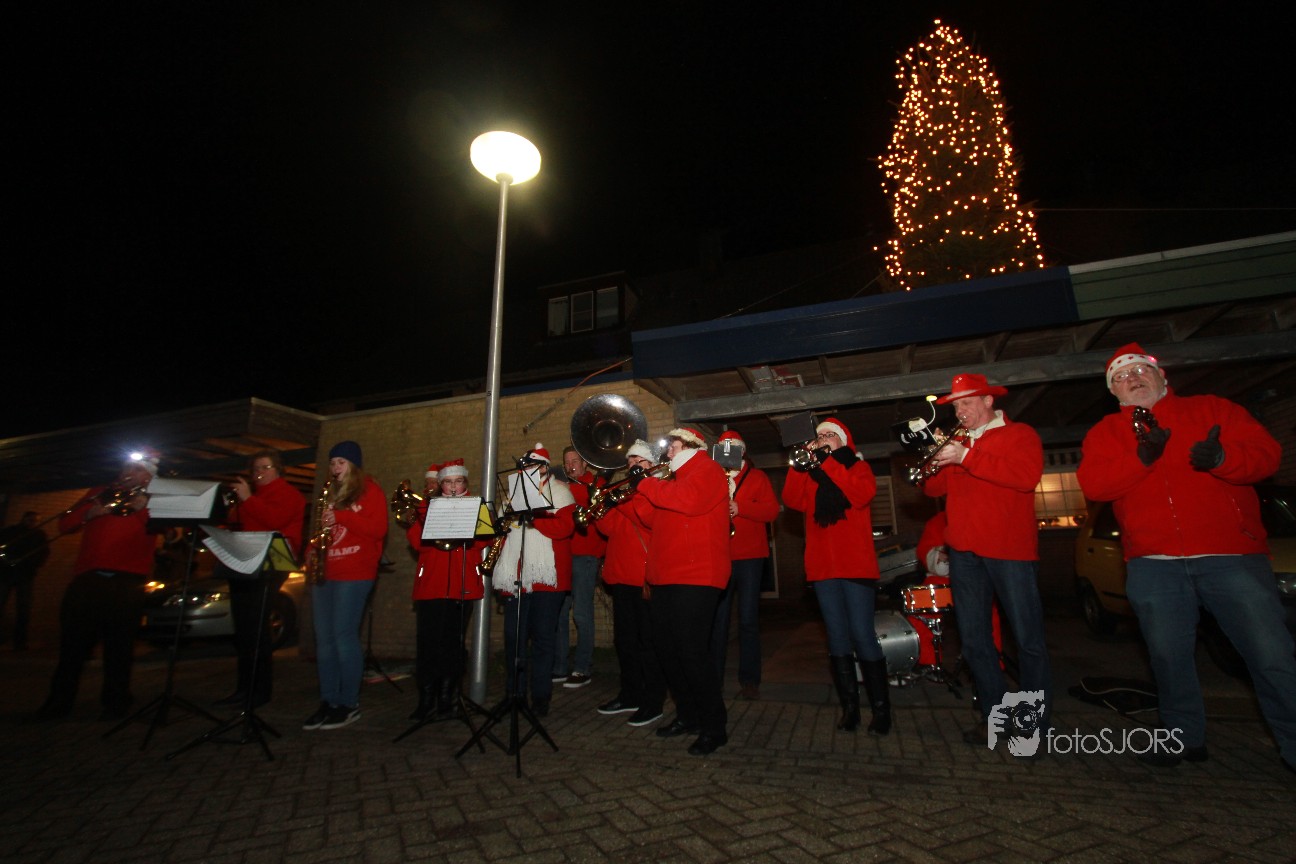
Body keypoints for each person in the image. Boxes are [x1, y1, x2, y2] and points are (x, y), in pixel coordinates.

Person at [1077, 343, 1296, 770]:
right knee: (1168, 659)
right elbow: (1095, 485)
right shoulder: (1106, 432)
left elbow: (1268, 455)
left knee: (1270, 655)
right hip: (1154, 564)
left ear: (1162, 377)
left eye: (1140, 370)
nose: (1133, 379)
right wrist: (1141, 457)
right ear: (1113, 391)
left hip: (1231, 557)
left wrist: (1224, 458)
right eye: (1121, 377)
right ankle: (1182, 738)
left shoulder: (1212, 409)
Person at [923, 372, 1052, 749]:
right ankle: (994, 718)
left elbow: (1025, 477)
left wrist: (966, 456)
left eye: (966, 403)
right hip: (965, 554)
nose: (960, 411)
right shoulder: (959, 442)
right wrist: (937, 459)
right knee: (975, 640)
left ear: (988, 401)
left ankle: (1032, 727)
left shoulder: (1019, 434)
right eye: (956, 406)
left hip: (1010, 551)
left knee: (1027, 641)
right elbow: (932, 488)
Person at [782, 418, 891, 735]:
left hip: (855, 566)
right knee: (837, 637)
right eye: (819, 436)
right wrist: (800, 463)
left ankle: (881, 711)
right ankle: (850, 709)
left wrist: (825, 462)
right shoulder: (811, 474)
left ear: (844, 441)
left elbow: (861, 494)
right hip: (823, 568)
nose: (822, 439)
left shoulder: (858, 467)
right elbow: (791, 499)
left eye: (829, 435)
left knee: (862, 634)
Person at [32, 453, 160, 721]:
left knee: (120, 646)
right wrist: (89, 513)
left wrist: (143, 507)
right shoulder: (100, 492)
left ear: (148, 476)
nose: (129, 472)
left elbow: (162, 529)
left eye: (137, 469)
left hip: (127, 581)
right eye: (127, 467)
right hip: (88, 579)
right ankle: (58, 703)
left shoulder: (155, 498)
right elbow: (65, 523)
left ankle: (116, 703)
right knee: (72, 645)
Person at [634, 427, 731, 755]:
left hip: (697, 575)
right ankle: (688, 715)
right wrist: (640, 489)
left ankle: (714, 726)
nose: (667, 453)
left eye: (672, 446)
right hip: (666, 576)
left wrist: (647, 484)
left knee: (691, 652)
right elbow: (649, 518)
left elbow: (689, 501)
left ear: (690, 445)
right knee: (668, 651)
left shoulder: (708, 469)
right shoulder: (671, 481)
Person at [302, 440, 388, 732]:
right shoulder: (329, 493)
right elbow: (320, 532)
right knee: (324, 639)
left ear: (354, 465)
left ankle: (348, 703)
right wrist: (311, 550)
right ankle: (329, 700)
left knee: (343, 635)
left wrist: (342, 515)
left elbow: (378, 529)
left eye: (341, 462)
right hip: (326, 571)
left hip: (355, 572)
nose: (335, 467)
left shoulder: (370, 490)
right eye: (332, 462)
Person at [214, 449, 306, 709]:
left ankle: (260, 690)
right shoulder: (253, 496)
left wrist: (248, 499)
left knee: (257, 628)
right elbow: (234, 523)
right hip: (245, 561)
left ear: (278, 470)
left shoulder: (288, 493)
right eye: (255, 469)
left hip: (271, 563)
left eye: (265, 468)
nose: (259, 473)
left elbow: (275, 520)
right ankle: (244, 688)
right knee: (243, 629)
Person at [489, 443, 576, 717]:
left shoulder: (560, 492)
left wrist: (534, 517)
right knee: (513, 639)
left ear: (544, 468)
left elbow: (564, 529)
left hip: (546, 578)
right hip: (516, 577)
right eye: (524, 466)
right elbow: (502, 534)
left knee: (542, 639)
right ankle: (513, 694)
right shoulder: (511, 497)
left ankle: (540, 697)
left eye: (532, 466)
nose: (527, 470)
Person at [405, 458, 488, 721]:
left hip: (462, 586)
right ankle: (426, 698)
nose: (453, 487)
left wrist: (466, 526)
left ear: (465, 483)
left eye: (458, 481)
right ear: (441, 484)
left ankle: (447, 697)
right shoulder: (426, 506)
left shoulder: (475, 505)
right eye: (448, 482)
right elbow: (416, 542)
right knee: (427, 644)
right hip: (431, 586)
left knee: (453, 644)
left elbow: (485, 539)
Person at [594, 439, 667, 728]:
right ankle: (630, 694)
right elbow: (608, 528)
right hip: (621, 575)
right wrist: (601, 506)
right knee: (624, 641)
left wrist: (618, 500)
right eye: (630, 462)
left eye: (639, 461)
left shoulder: (657, 488)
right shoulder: (624, 493)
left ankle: (653, 701)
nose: (633, 466)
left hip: (644, 577)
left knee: (649, 643)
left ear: (652, 465)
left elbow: (646, 520)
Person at [709, 431, 779, 700]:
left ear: (742, 451)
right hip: (721, 555)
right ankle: (713, 680)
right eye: (724, 449)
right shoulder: (713, 478)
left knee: (748, 619)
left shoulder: (758, 477)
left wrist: (741, 507)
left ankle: (750, 680)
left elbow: (771, 511)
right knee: (719, 620)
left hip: (750, 557)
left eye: (732, 449)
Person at [552, 445, 607, 689]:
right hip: (564, 555)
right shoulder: (563, 485)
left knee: (582, 614)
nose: (570, 465)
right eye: (567, 462)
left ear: (585, 463)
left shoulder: (596, 482)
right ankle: (560, 666)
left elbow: (590, 502)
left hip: (586, 556)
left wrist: (564, 488)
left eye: (575, 461)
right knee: (561, 614)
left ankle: (583, 668)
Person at [0, 511, 50, 650]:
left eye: (36, 521)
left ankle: (20, 642)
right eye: (31, 520)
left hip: (25, 575)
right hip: (7, 573)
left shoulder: (39, 535)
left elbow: (44, 553)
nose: (33, 523)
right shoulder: (11, 531)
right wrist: (5, 561)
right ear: (24, 519)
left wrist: (34, 564)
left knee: (23, 609)